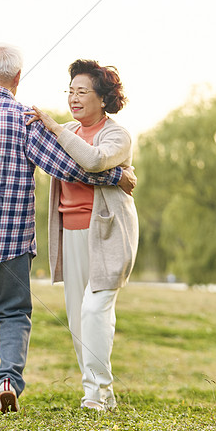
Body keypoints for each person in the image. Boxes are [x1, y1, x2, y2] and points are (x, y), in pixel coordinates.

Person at [0, 44, 135, 418]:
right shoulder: (25, 120)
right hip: (10, 243)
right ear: (17, 80)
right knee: (13, 314)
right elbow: (66, 167)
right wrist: (117, 175)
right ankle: (7, 379)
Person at [26, 59, 138, 412]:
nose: (74, 98)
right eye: (70, 91)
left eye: (82, 91)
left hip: (107, 235)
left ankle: (95, 393)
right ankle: (103, 393)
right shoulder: (69, 128)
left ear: (102, 99)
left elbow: (91, 160)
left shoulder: (116, 135)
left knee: (94, 311)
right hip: (70, 234)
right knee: (79, 319)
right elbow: (38, 140)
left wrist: (56, 129)